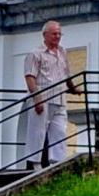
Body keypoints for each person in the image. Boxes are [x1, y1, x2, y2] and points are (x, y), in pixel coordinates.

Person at [23, 21, 74, 167]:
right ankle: (34, 163)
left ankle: (57, 162)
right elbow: (30, 77)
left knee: (60, 131)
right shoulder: (35, 54)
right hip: (43, 97)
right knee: (37, 132)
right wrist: (37, 99)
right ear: (45, 35)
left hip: (59, 98)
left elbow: (66, 74)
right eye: (54, 33)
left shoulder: (62, 52)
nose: (57, 36)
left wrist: (73, 88)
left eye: (59, 33)